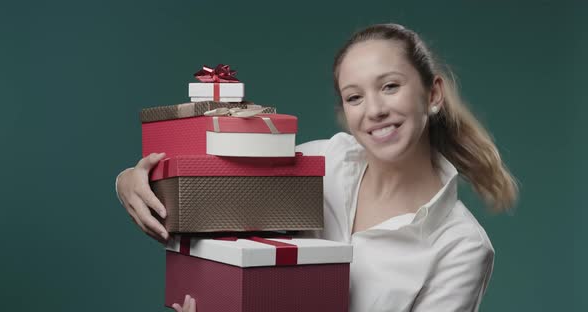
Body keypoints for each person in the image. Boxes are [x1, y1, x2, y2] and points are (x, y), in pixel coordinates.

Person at [116, 23, 518, 311]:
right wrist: (132, 181)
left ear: (433, 94)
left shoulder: (462, 247)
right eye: (355, 97)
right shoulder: (320, 163)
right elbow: (209, 190)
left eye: (390, 86)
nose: (375, 110)